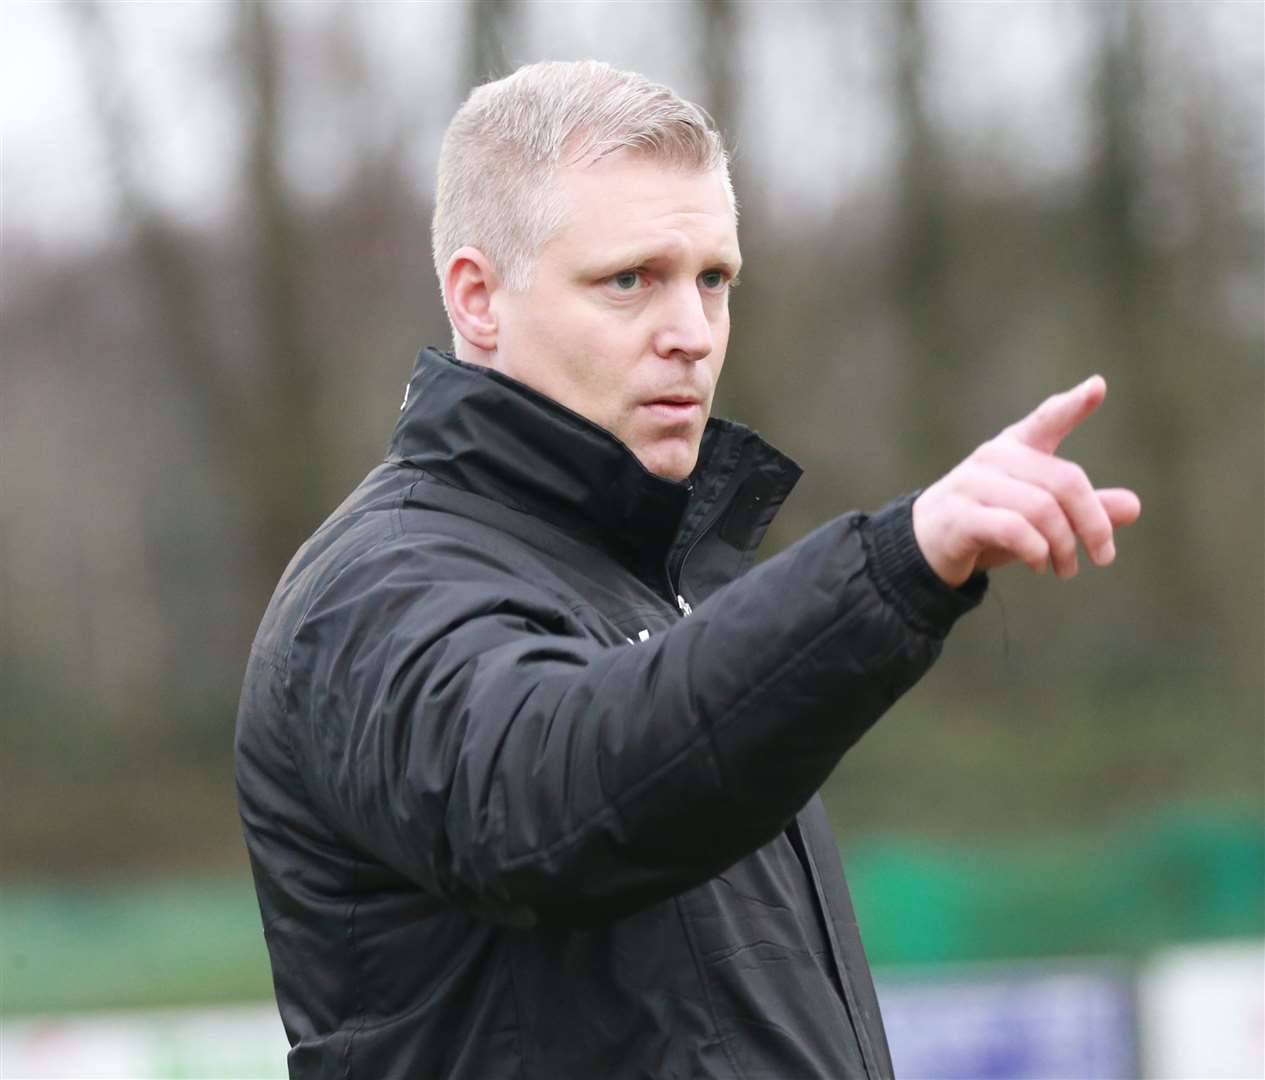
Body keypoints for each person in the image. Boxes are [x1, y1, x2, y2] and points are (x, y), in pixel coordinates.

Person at [235, 60, 1141, 1079]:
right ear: (478, 299)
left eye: (713, 280)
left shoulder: (654, 589)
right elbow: (548, 799)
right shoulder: (371, 593)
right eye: (630, 279)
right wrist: (889, 567)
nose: (690, 335)